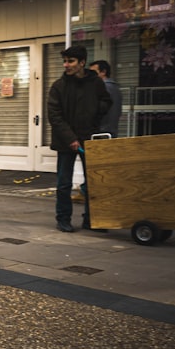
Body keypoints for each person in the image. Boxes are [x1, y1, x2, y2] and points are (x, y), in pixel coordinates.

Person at [48, 45, 113, 232]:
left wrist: (94, 114)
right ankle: (63, 219)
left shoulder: (96, 83)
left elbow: (106, 102)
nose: (66, 65)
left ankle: (92, 219)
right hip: (65, 141)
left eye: (71, 61)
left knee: (93, 182)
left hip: (89, 139)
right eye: (65, 61)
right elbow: (54, 115)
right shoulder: (59, 86)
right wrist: (70, 138)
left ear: (82, 63)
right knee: (64, 183)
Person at [89, 60, 121, 137]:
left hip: (100, 132)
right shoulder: (115, 88)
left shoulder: (103, 88)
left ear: (103, 72)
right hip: (111, 131)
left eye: (93, 72)